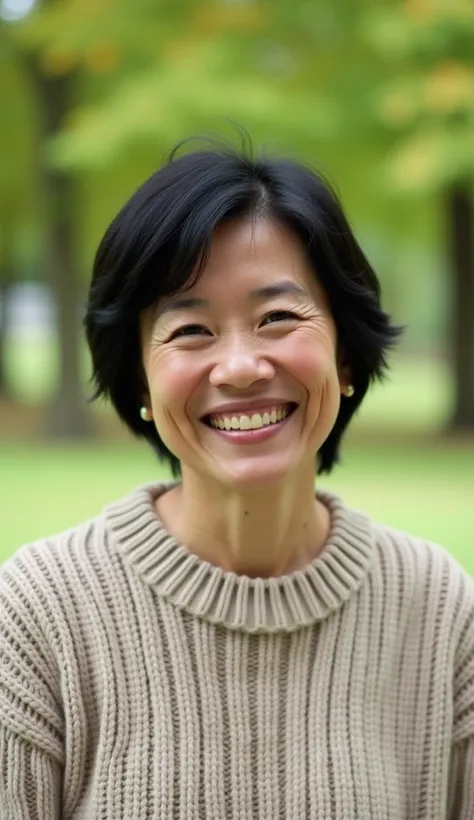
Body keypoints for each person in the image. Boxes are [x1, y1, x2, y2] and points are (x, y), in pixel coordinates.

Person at [1, 136, 473, 820]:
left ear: (345, 356)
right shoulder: (39, 615)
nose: (242, 366)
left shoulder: (439, 614)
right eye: (191, 329)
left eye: (278, 317)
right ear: (139, 377)